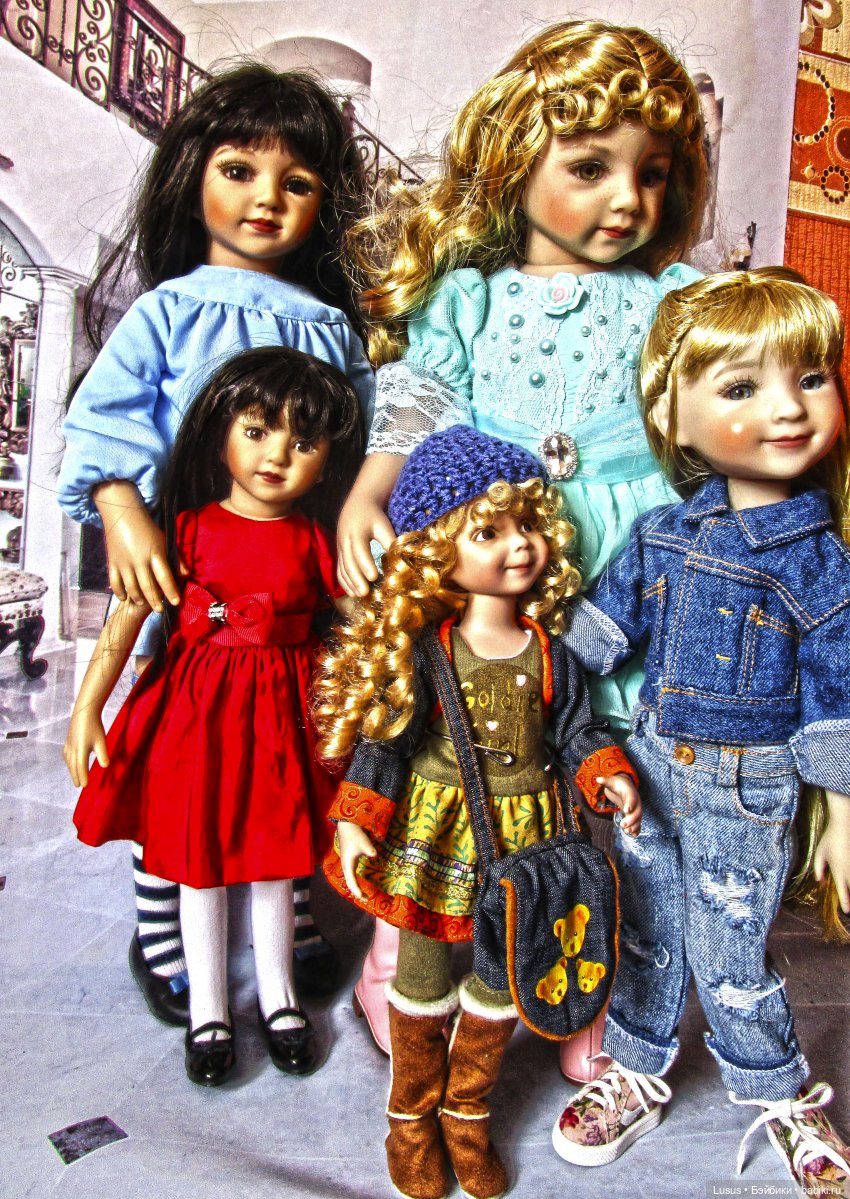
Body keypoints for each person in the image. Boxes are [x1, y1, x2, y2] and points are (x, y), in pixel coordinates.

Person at [334, 17, 708, 1071]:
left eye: (650, 173)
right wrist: (371, 490)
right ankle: (397, 956)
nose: (626, 199)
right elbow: (416, 405)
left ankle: (577, 969)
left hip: (623, 557)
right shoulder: (470, 295)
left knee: (600, 768)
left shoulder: (672, 301)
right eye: (590, 168)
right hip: (489, 556)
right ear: (513, 161)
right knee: (448, 752)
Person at [57, 65, 374, 1021]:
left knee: (291, 741)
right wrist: (122, 507)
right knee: (176, 744)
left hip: (290, 571)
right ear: (191, 173)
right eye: (238, 170)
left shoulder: (333, 328)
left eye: (296, 182)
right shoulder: (167, 309)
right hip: (184, 567)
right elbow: (105, 417)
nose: (265, 199)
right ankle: (161, 904)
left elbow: (360, 442)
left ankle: (292, 895)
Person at [552, 269, 850, 1195]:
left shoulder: (821, 562)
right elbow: (589, 642)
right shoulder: (661, 533)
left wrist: (840, 815)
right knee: (646, 929)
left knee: (731, 952)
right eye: (742, 386)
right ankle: (636, 1067)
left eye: (811, 377)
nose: (788, 407)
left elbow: (836, 697)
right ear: (672, 419)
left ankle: (780, 1091)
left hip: (747, 787)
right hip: (645, 770)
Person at [314, 425, 641, 1199]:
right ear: (437, 551)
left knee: (503, 974)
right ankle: (410, 1117)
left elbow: (574, 731)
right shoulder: (428, 652)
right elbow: (388, 740)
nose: (518, 544)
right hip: (437, 835)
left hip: (524, 841)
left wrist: (607, 771)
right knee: (422, 972)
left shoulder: (549, 649)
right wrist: (356, 816)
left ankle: (468, 1113)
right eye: (488, 531)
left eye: (527, 523)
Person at [64, 347, 363, 1086]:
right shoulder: (189, 531)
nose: (276, 456)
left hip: (284, 719)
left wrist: (392, 675)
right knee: (197, 860)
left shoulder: (313, 538)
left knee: (277, 857)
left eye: (303, 443)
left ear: (327, 461)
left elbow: (359, 623)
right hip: (197, 716)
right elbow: (128, 614)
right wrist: (88, 705)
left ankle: (280, 998)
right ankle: (208, 1009)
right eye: (257, 431)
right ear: (220, 431)